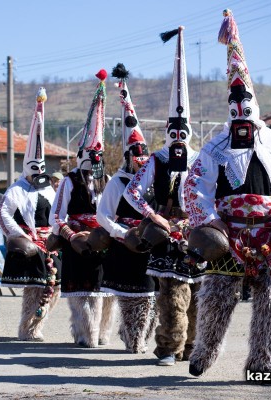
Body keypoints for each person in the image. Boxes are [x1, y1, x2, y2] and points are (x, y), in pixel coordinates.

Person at [184, 10, 271, 383]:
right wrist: (209, 219)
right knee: (216, 298)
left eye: (246, 106)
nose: (241, 112)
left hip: (270, 236)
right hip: (229, 236)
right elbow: (194, 186)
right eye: (235, 107)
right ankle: (204, 353)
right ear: (230, 107)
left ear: (254, 106)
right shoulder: (216, 146)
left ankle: (263, 362)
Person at [126, 28, 205, 366]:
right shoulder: (156, 160)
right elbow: (133, 193)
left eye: (181, 133)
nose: (176, 138)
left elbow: (211, 193)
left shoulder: (203, 158)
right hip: (164, 233)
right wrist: (154, 215)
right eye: (171, 133)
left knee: (198, 295)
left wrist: (199, 217)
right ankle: (169, 347)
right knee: (171, 294)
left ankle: (193, 347)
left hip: (196, 233)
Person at [49, 70, 116, 348]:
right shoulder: (69, 180)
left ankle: (101, 333)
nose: (93, 160)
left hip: (101, 240)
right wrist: (71, 235)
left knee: (104, 292)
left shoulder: (108, 180)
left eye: (97, 155)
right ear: (81, 155)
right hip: (76, 242)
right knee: (80, 292)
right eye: (90, 155)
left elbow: (112, 211)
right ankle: (83, 333)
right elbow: (56, 215)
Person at [99, 64, 157, 354]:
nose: (141, 159)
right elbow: (103, 215)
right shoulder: (117, 182)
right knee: (129, 298)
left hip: (149, 244)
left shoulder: (155, 181)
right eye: (137, 154)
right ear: (128, 157)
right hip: (125, 246)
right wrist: (122, 233)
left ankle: (137, 336)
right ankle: (133, 340)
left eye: (145, 154)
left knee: (149, 298)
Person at [0, 88, 62, 341]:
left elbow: (58, 212)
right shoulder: (17, 189)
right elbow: (3, 213)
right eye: (34, 170)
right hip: (32, 244)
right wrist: (21, 234)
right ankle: (27, 329)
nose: (38, 174)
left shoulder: (48, 189)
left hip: (52, 244)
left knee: (54, 289)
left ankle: (38, 324)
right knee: (34, 290)